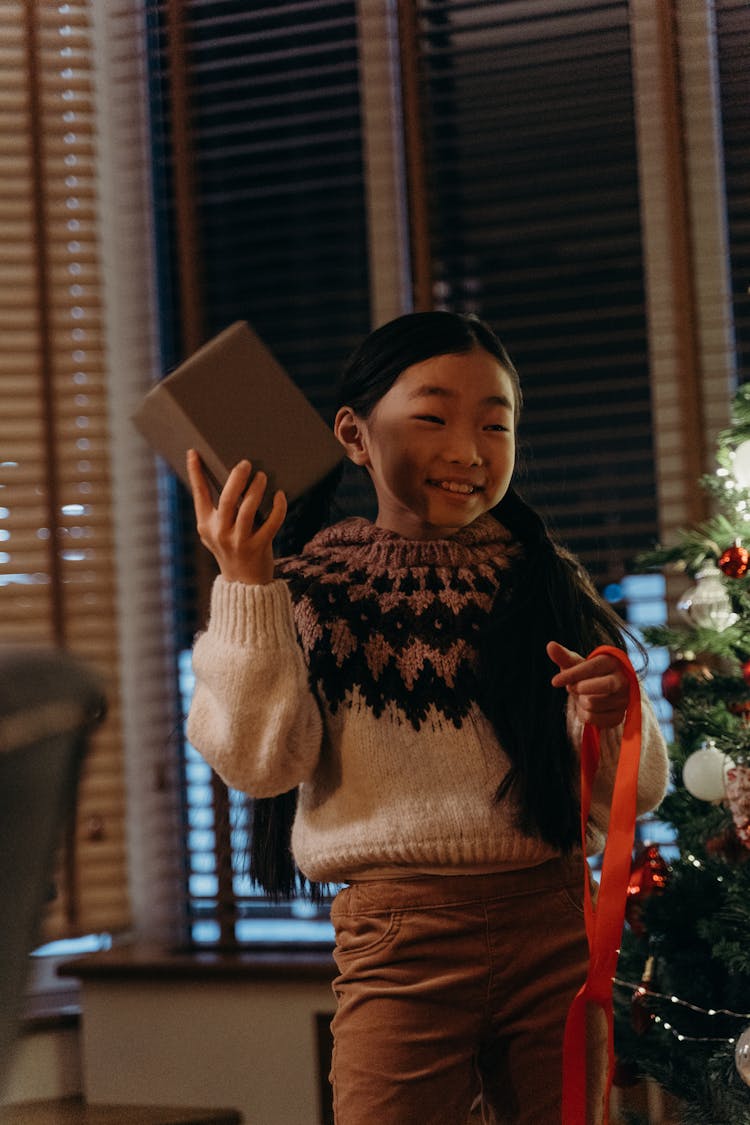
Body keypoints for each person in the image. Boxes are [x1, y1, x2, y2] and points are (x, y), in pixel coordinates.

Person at [186, 310, 669, 1125]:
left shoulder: (546, 582)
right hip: (393, 938)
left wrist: (614, 715)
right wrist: (244, 582)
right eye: (433, 416)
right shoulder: (303, 593)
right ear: (354, 434)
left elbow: (637, 791)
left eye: (495, 424)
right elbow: (258, 762)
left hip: (551, 921)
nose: (468, 450)